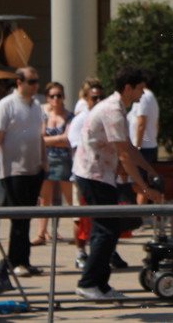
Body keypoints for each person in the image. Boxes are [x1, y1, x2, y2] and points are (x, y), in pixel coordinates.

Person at [72, 66, 161, 301]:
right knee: (106, 230)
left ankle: (100, 284)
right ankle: (88, 283)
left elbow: (130, 147)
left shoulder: (119, 108)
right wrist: (144, 188)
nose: (143, 94)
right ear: (128, 87)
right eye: (140, 89)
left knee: (107, 231)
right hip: (93, 175)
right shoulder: (112, 110)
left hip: (101, 175)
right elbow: (123, 155)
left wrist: (150, 169)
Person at [0, 67, 46, 277]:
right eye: (31, 81)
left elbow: (39, 136)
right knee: (18, 219)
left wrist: (44, 161)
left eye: (36, 81)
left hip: (34, 169)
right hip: (14, 171)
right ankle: (15, 262)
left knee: (27, 218)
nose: (35, 85)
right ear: (19, 82)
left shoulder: (36, 106)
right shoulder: (6, 105)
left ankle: (23, 260)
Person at [66, 80, 105, 270]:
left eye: (100, 97)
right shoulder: (81, 119)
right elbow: (75, 148)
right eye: (94, 97)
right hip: (83, 175)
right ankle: (80, 253)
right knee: (80, 218)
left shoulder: (106, 116)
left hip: (103, 175)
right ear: (86, 99)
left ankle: (105, 254)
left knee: (103, 219)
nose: (98, 101)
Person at [32, 82, 74, 245]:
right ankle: (41, 234)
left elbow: (67, 139)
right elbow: (40, 138)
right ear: (47, 98)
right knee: (44, 199)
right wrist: (56, 140)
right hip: (46, 160)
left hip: (63, 160)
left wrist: (48, 141)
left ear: (63, 97)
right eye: (52, 96)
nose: (56, 99)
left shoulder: (69, 116)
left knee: (70, 199)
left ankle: (80, 231)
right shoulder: (44, 115)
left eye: (58, 95)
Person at [128, 69, 160, 205]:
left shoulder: (144, 96)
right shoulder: (151, 97)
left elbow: (141, 122)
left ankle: (140, 217)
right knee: (143, 183)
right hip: (149, 145)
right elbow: (157, 125)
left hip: (143, 147)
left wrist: (136, 146)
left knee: (140, 184)